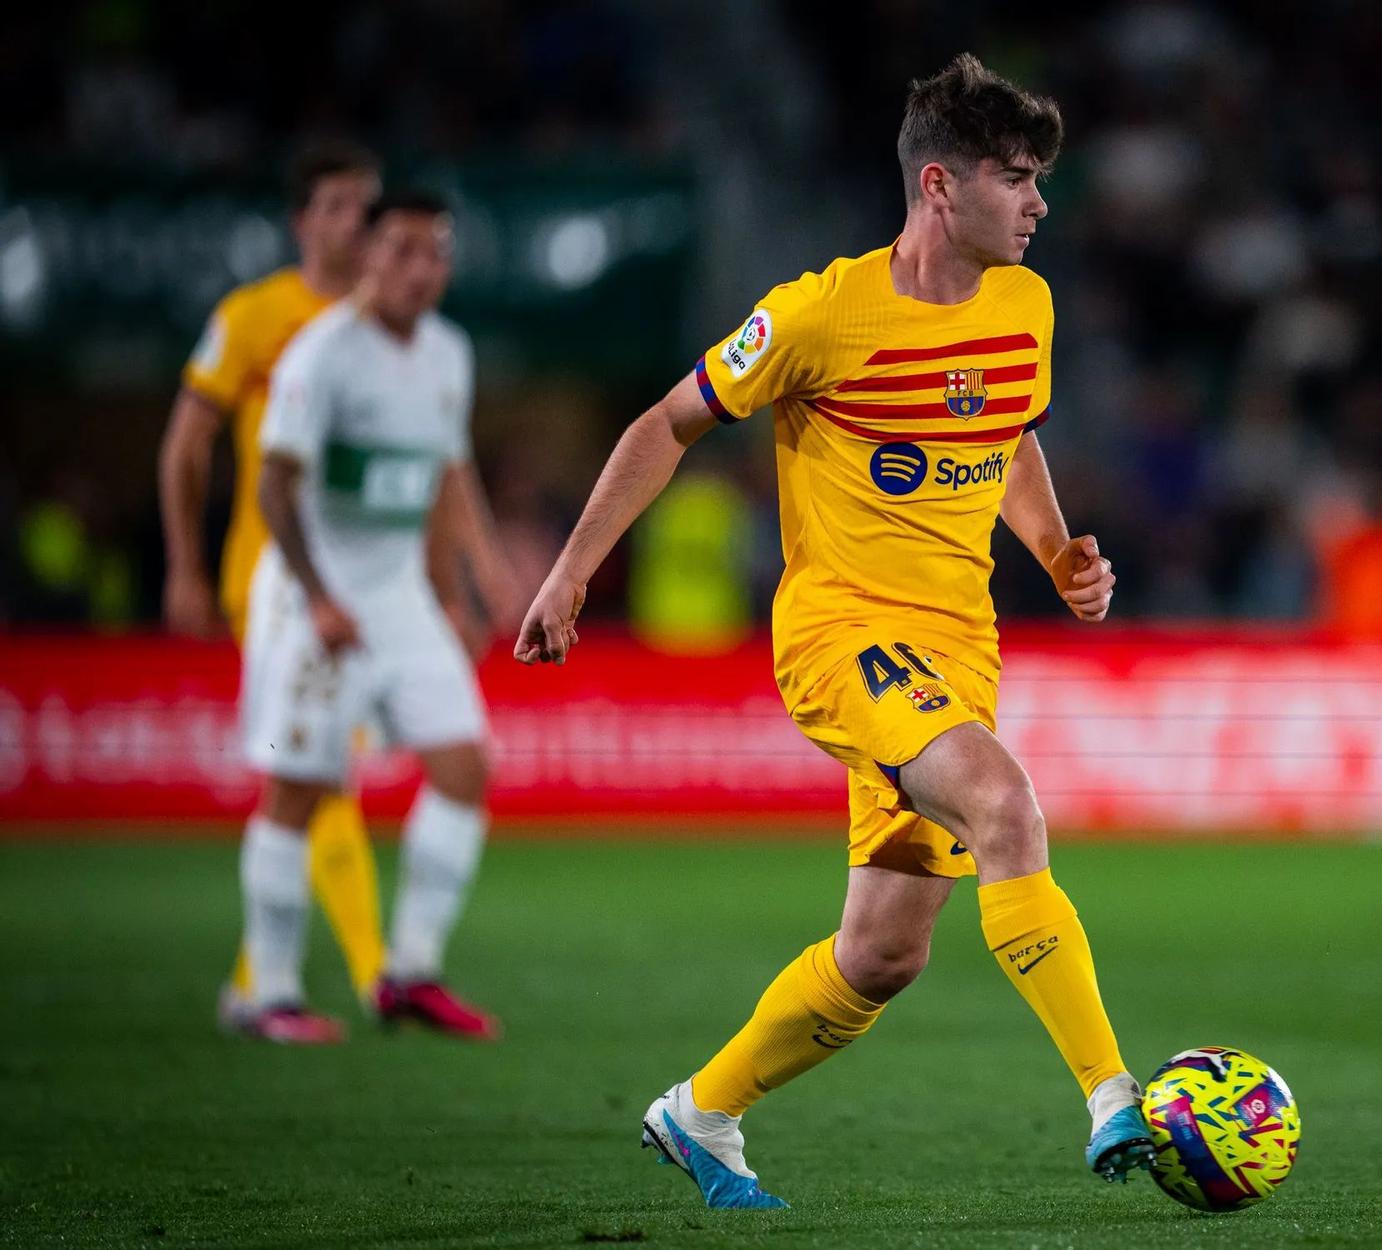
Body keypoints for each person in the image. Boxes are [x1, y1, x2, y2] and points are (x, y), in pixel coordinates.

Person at [515, 54, 1150, 1209]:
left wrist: (1056, 552)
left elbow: (1005, 432)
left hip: (959, 644)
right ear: (940, 187)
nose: (1040, 203)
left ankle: (699, 1112)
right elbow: (665, 424)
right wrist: (569, 572)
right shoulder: (817, 313)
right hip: (841, 632)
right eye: (1017, 178)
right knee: (1006, 804)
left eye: (1042, 179)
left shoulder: (1027, 303)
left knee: (882, 954)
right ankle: (1115, 1095)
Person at [235, 189, 512, 1043]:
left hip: (399, 600)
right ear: (368, 257)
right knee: (300, 789)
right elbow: (273, 485)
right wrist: (317, 596)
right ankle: (268, 991)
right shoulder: (320, 357)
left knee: (465, 767)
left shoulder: (447, 353)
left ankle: (408, 972)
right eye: (400, 250)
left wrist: (473, 582)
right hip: (313, 598)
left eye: (434, 253)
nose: (419, 269)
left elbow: (444, 478)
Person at [158, 142, 392, 1030]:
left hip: (364, 583)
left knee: (320, 772)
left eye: (366, 208)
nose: (353, 224)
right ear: (302, 221)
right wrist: (183, 562)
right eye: (335, 205)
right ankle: (378, 976)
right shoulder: (254, 317)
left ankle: (257, 978)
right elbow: (186, 444)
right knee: (319, 774)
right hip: (277, 580)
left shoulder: (386, 327)